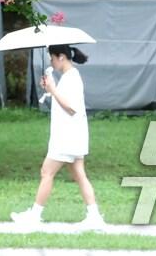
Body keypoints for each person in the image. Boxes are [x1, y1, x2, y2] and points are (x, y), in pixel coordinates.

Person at [10, 44, 103, 228]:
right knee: (79, 174)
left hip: (67, 136)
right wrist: (51, 90)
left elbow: (71, 107)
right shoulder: (69, 77)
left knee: (47, 172)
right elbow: (65, 102)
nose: (51, 61)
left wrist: (52, 90)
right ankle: (94, 217)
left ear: (61, 57)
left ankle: (35, 215)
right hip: (72, 134)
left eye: (52, 58)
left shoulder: (72, 78)